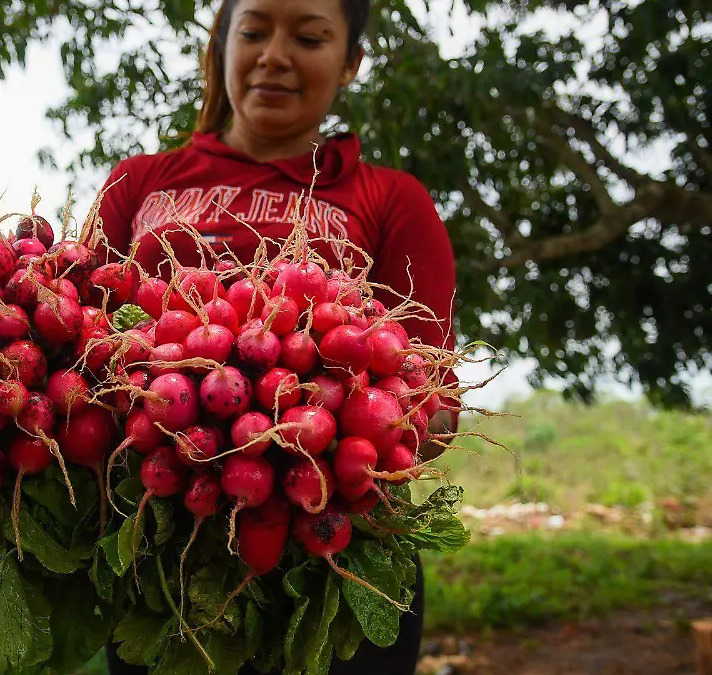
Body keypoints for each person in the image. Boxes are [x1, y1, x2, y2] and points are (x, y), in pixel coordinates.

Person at [91, 0, 459, 673]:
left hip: (333, 553)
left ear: (350, 62)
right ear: (221, 47)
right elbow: (79, 350)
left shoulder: (390, 196)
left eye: (310, 37)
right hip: (156, 551)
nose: (275, 56)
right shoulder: (138, 181)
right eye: (254, 32)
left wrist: (340, 419)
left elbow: (436, 404)